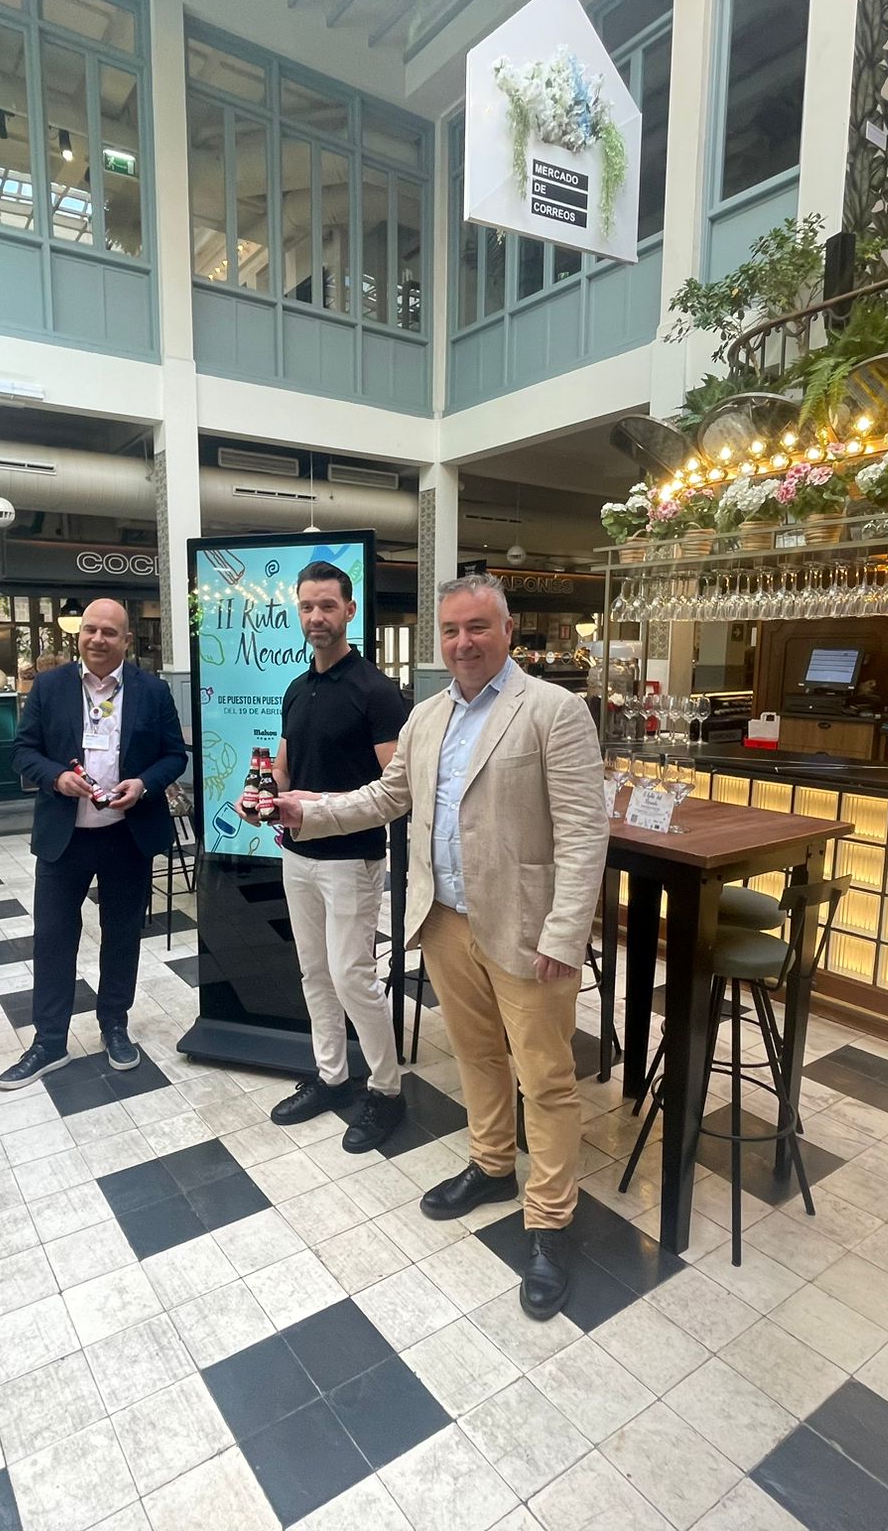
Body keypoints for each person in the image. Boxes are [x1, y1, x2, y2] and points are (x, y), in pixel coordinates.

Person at [273, 574, 607, 1319]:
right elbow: (386, 797)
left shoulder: (553, 711)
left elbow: (586, 835)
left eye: (478, 627)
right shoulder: (427, 716)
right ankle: (491, 1164)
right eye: (451, 630)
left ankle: (551, 1219)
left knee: (545, 1079)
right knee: (477, 1057)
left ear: (508, 630)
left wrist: (564, 932)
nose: (463, 642)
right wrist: (308, 810)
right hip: (446, 919)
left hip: (526, 928)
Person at [242, 561, 409, 1153]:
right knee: (313, 972)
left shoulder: (377, 692)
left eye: (328, 606)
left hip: (351, 860)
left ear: (349, 611)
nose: (317, 617)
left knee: (351, 976)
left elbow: (396, 789)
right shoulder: (297, 687)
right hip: (298, 854)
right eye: (308, 606)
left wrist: (317, 805)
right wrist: (261, 798)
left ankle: (387, 1090)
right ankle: (332, 1077)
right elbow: (284, 768)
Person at [0, 599, 187, 1087]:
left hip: (127, 834)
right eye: (90, 630)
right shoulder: (50, 687)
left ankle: (114, 1025)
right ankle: (49, 1042)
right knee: (53, 937)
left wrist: (143, 784)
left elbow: (174, 756)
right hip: (64, 838)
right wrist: (56, 777)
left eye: (109, 632)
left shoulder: (152, 691)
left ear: (127, 640)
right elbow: (22, 750)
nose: (98, 639)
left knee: (122, 935)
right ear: (79, 635)